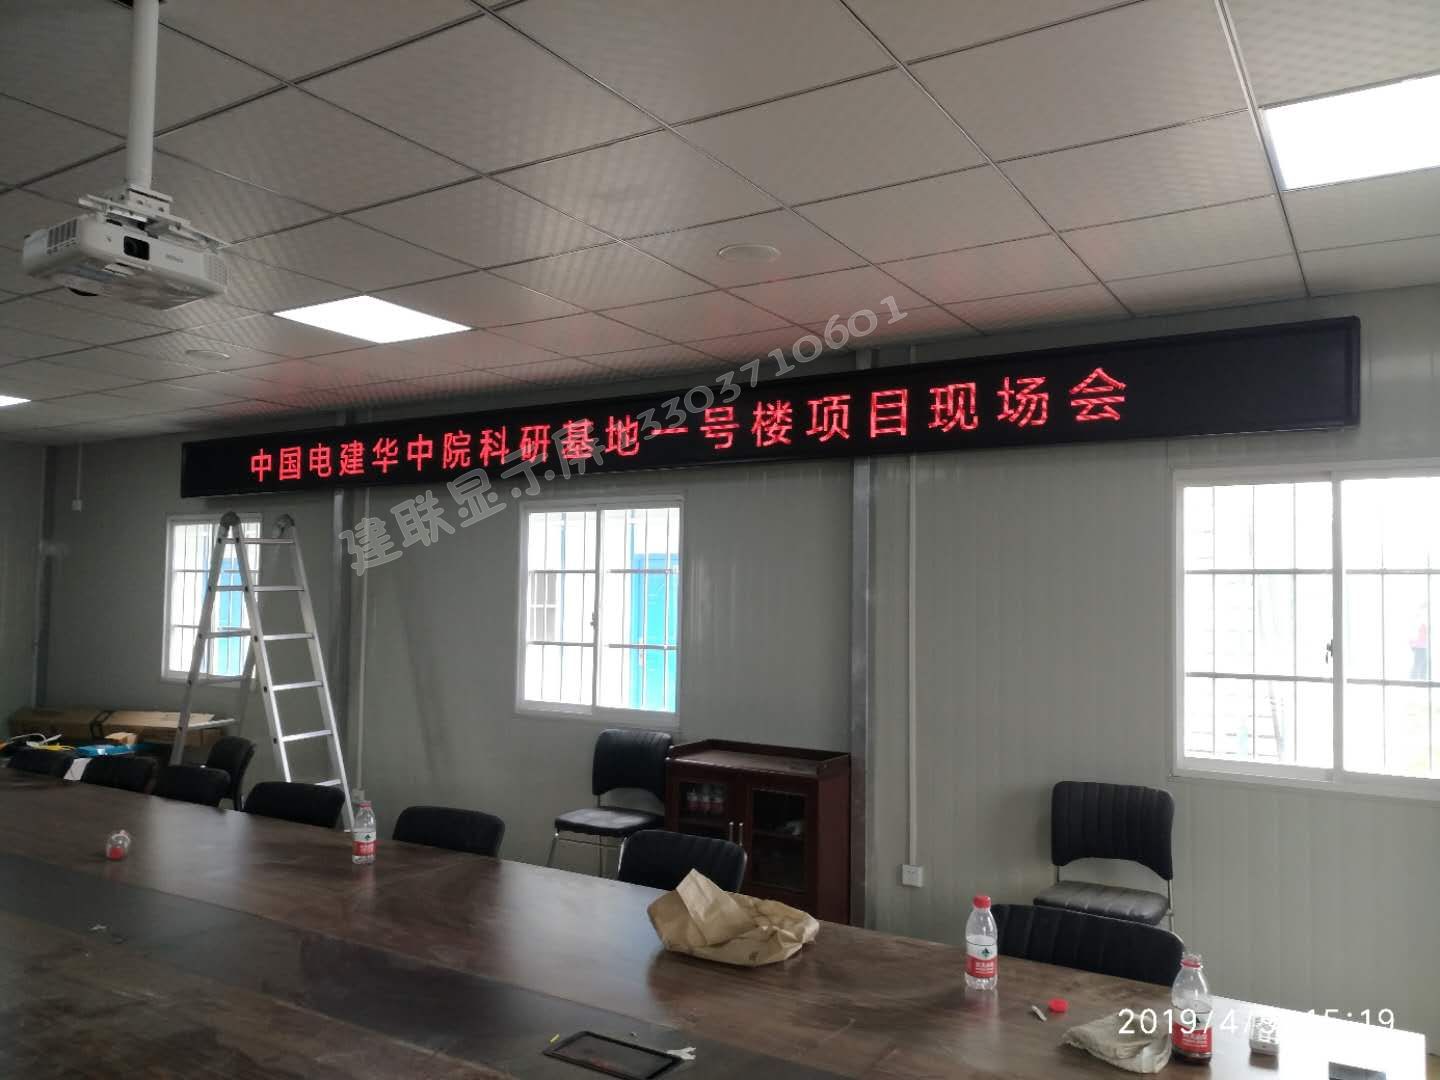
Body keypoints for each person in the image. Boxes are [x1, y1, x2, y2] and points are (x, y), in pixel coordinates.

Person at [1411, 614, 1429, 681]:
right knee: (1418, 668)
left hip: (1422, 650)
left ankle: (1419, 679)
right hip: (1420, 649)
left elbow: (1421, 640)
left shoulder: (1423, 628)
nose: (1419, 632)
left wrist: (1414, 644)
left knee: (1420, 669)